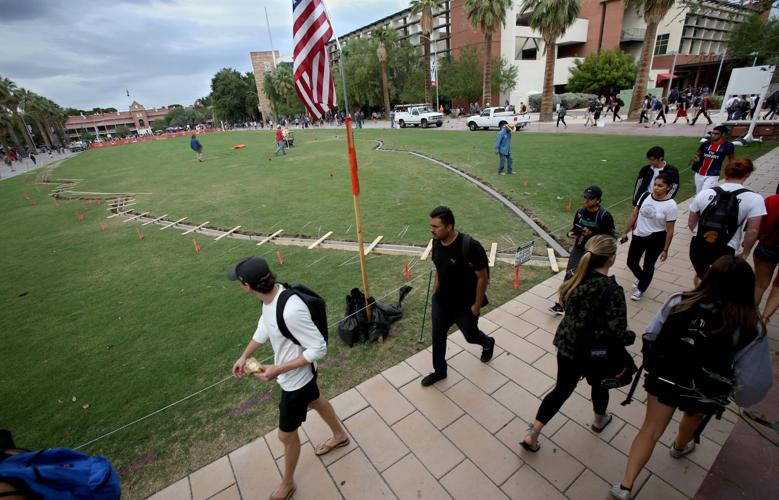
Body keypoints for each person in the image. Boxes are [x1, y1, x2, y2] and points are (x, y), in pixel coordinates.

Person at [610, 256, 766, 500]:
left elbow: (651, 333)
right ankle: (680, 446)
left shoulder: (679, 302)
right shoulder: (749, 325)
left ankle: (625, 485)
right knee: (691, 419)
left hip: (667, 376)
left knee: (650, 429)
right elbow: (754, 380)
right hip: (705, 388)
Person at [230, 257, 349, 500]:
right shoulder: (271, 298)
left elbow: (318, 348)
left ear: (247, 286)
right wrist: (244, 356)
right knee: (316, 401)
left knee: (285, 435)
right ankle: (340, 435)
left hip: (296, 382)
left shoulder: (291, 309)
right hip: (298, 377)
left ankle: (287, 484)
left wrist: (278, 369)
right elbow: (265, 327)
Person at [522, 235, 634, 452]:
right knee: (600, 385)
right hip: (596, 352)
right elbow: (619, 332)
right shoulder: (612, 291)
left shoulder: (574, 277)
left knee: (561, 389)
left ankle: (533, 432)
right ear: (611, 259)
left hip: (568, 344)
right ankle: (599, 420)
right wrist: (631, 336)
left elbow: (564, 305)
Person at [421, 206, 496, 387]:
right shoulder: (436, 242)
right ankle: (440, 371)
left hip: (465, 306)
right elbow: (439, 266)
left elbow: (483, 277)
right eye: (431, 225)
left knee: (471, 336)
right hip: (442, 301)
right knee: (438, 337)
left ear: (449, 227)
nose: (432, 230)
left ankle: (488, 342)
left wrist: (477, 306)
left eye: (436, 226)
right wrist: (435, 289)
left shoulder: (470, 246)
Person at [688, 158, 766, 285]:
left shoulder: (705, 193)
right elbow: (753, 230)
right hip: (726, 246)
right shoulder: (754, 199)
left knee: (704, 276)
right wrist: (745, 252)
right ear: (748, 174)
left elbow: (691, 222)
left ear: (726, 172)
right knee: (719, 281)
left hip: (698, 244)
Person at [550, 186, 617, 315]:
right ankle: (561, 303)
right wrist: (570, 234)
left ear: (597, 200)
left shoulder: (604, 216)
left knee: (589, 277)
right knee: (570, 274)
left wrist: (592, 234)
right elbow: (573, 229)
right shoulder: (580, 212)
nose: (585, 200)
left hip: (595, 253)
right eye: (585, 197)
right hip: (579, 248)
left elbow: (610, 237)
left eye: (589, 198)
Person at [622, 174, 678, 301]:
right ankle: (643, 278)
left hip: (657, 238)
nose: (656, 188)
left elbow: (670, 230)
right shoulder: (645, 196)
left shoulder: (671, 205)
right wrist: (625, 232)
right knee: (631, 262)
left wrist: (666, 249)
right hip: (639, 235)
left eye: (660, 186)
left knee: (648, 264)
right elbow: (634, 214)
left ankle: (641, 288)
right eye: (655, 184)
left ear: (668, 187)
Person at [753, 193, 779, 322]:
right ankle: (764, 319)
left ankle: (748, 317)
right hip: (769, 245)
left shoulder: (773, 200)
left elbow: (760, 226)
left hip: (768, 246)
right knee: (778, 288)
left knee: (759, 284)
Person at [691, 125, 735, 194]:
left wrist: (731, 172)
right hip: (699, 173)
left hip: (713, 174)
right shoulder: (706, 143)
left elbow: (731, 159)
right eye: (712, 133)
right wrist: (697, 157)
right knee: (698, 194)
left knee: (705, 194)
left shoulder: (728, 146)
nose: (713, 135)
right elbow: (698, 153)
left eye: (716, 134)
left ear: (723, 134)